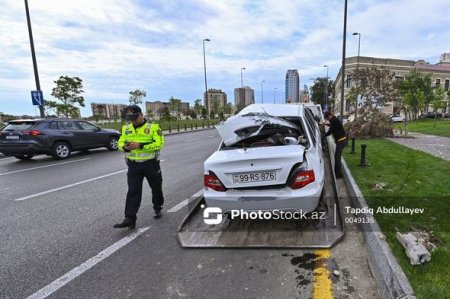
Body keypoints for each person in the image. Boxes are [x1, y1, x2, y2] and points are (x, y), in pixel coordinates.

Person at [113, 105, 165, 229]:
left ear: (142, 115)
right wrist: (124, 147)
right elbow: (120, 142)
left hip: (150, 164)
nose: (133, 120)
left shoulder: (153, 127)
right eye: (130, 118)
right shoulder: (126, 128)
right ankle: (130, 218)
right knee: (133, 191)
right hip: (133, 165)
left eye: (135, 117)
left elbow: (159, 143)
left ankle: (157, 207)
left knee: (156, 188)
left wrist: (140, 145)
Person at [323, 111, 347, 178]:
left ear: (329, 116)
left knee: (337, 157)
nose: (328, 120)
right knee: (337, 157)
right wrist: (326, 124)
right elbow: (332, 126)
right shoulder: (334, 120)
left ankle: (338, 174)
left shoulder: (334, 120)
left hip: (341, 141)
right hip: (342, 140)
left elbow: (330, 131)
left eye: (327, 118)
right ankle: (338, 173)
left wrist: (323, 135)